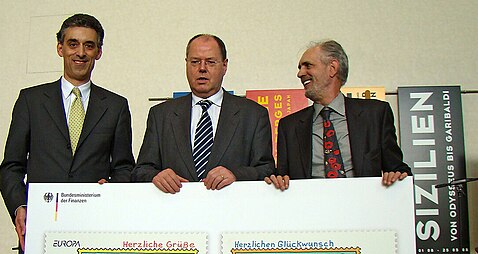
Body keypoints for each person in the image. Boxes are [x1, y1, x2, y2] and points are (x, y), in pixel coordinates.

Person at [0, 14, 135, 252]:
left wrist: (113, 189)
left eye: (89, 45)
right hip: (41, 229)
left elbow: (124, 168)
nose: (80, 52)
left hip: (95, 229)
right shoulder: (30, 100)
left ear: (98, 53)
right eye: (73, 44)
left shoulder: (116, 106)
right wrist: (20, 206)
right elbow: (11, 166)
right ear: (60, 48)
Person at [132, 34, 274, 194]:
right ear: (186, 64)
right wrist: (156, 176)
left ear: (225, 66)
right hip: (175, 212)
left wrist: (236, 174)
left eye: (210, 62)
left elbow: (267, 169)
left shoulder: (253, 115)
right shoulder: (161, 115)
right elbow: (141, 170)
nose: (202, 68)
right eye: (195, 62)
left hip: (232, 211)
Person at [265, 40, 411, 190]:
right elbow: (282, 177)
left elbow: (398, 169)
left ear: (332, 68)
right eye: (300, 68)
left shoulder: (375, 114)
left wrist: (396, 175)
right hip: (311, 209)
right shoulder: (289, 126)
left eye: (308, 65)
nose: (300, 73)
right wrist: (278, 180)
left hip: (364, 208)